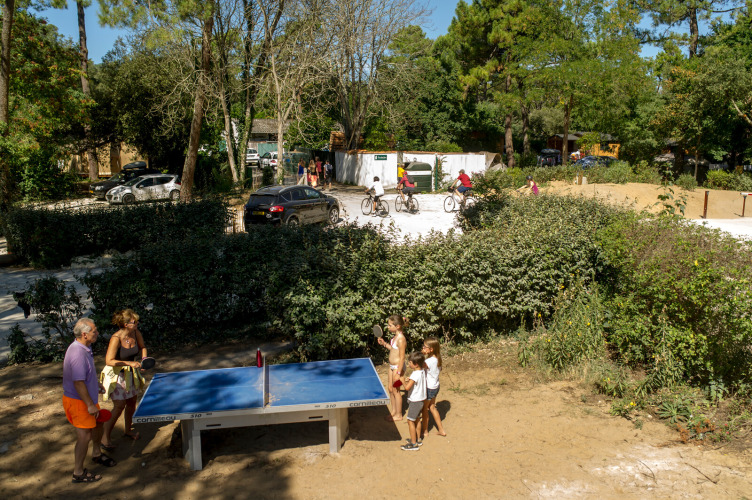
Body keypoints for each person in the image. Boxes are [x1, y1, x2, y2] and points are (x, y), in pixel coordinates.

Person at [63, 318, 115, 484]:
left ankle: (97, 453)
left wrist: (95, 384)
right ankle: (78, 473)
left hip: (88, 398)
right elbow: (78, 382)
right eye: (94, 331)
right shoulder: (77, 353)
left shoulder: (85, 346)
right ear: (84, 334)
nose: (97, 333)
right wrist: (90, 405)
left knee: (98, 425)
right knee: (84, 436)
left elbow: (84, 376)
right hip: (80, 402)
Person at [100, 309, 147, 450]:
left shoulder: (135, 333)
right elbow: (109, 361)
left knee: (132, 402)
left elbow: (143, 347)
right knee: (119, 406)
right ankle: (104, 438)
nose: (137, 323)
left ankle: (127, 430)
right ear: (126, 324)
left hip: (130, 374)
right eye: (134, 322)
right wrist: (129, 363)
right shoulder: (116, 338)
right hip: (116, 375)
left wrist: (144, 360)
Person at [377, 314, 407, 421]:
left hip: (398, 368)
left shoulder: (401, 339)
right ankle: (393, 411)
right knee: (390, 389)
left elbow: (402, 358)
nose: (388, 327)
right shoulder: (394, 338)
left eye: (390, 325)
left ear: (397, 326)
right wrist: (384, 344)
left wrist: (399, 373)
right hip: (391, 367)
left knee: (396, 391)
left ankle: (399, 415)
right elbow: (393, 350)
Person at [400, 351, 427, 451]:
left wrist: (403, 381)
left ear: (415, 364)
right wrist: (410, 379)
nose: (409, 364)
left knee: (410, 420)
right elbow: (415, 381)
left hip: (415, 401)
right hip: (420, 400)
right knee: (417, 419)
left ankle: (413, 443)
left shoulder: (415, 374)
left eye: (410, 362)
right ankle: (418, 439)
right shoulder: (422, 371)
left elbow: (407, 388)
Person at [420, 337, 447, 438]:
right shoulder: (437, 358)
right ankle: (441, 430)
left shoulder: (429, 361)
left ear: (431, 349)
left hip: (429, 388)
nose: (423, 348)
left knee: (424, 410)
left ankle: (425, 431)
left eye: (424, 347)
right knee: (432, 407)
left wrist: (421, 355)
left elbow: (419, 365)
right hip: (435, 386)